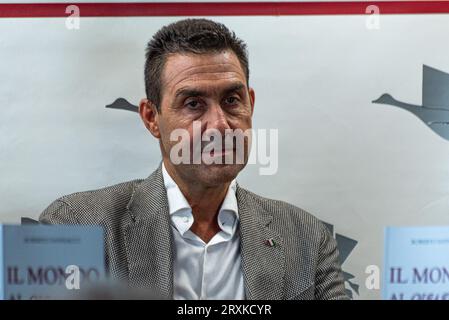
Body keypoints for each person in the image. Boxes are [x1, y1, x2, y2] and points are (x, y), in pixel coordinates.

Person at [40, 18, 347, 300]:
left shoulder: (307, 237)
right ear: (151, 117)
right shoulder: (75, 225)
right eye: (193, 104)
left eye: (231, 100)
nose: (220, 125)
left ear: (250, 104)